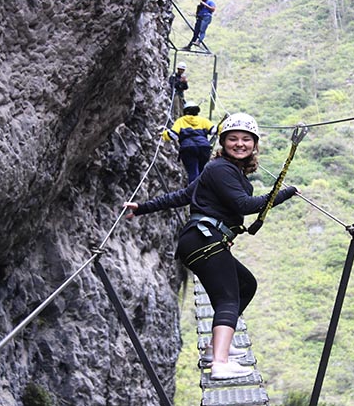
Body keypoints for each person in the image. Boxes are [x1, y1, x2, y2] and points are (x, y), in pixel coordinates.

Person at [124, 113, 298, 380]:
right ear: (223, 142)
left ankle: (215, 348)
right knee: (229, 298)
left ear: (254, 144)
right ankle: (219, 362)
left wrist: (143, 207)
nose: (239, 144)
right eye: (233, 139)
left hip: (202, 240)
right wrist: (283, 194)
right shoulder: (220, 169)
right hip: (207, 239)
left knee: (245, 285)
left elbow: (184, 195)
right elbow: (244, 205)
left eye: (245, 139)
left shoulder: (220, 169)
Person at [164, 102, 217, 184]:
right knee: (201, 170)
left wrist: (164, 135)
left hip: (188, 148)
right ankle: (202, 190)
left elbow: (173, 135)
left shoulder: (180, 121)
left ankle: (193, 192)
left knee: (192, 171)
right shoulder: (203, 120)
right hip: (204, 147)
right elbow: (214, 130)